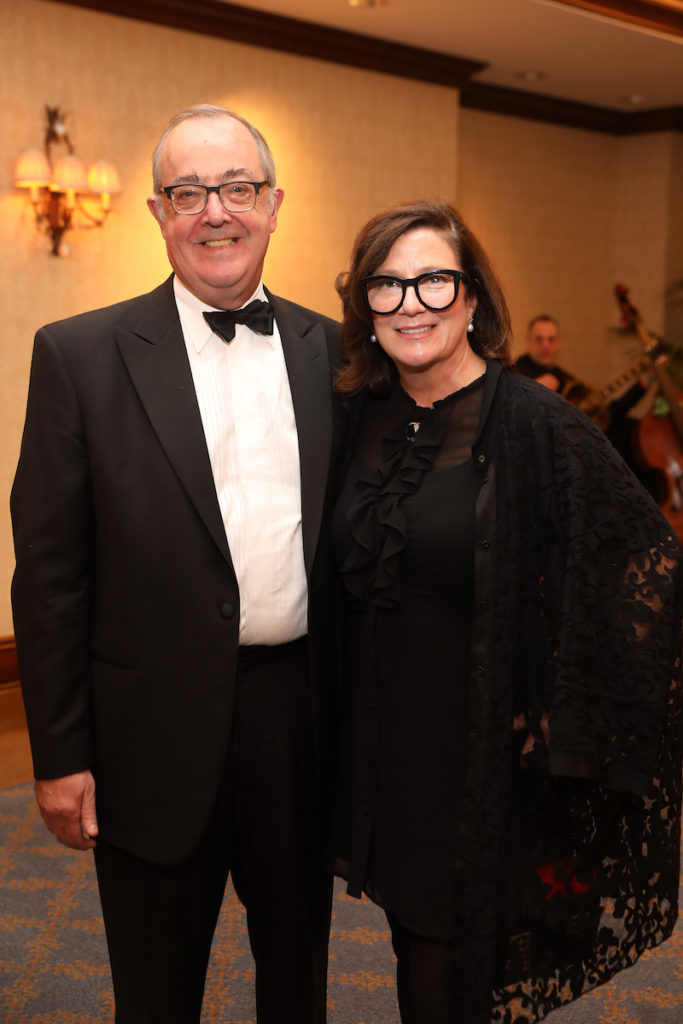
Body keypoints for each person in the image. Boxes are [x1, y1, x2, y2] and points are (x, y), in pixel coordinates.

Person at [11, 104, 342, 1024]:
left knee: (298, 982)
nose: (215, 212)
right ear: (157, 214)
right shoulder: (77, 356)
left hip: (298, 724)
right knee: (155, 991)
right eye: (188, 192)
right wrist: (61, 752)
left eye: (237, 189)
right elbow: (49, 575)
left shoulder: (335, 352)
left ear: (274, 204)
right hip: (143, 730)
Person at [330, 198, 682, 1024]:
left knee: (451, 970)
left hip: (481, 755)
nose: (409, 302)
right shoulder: (362, 418)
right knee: (414, 946)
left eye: (432, 281)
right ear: (365, 307)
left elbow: (648, 562)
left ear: (473, 299)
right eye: (386, 284)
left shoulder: (535, 421)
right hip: (387, 748)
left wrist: (565, 709)